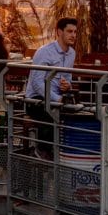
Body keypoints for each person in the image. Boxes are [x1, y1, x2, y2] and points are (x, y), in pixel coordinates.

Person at [25, 17, 78, 157]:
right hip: (36, 99)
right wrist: (57, 99)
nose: (73, 35)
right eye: (69, 31)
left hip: (57, 98)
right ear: (59, 32)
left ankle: (65, 153)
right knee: (50, 115)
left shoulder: (72, 53)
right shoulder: (44, 52)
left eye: (75, 32)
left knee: (77, 113)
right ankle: (42, 152)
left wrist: (67, 85)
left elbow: (68, 77)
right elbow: (37, 83)